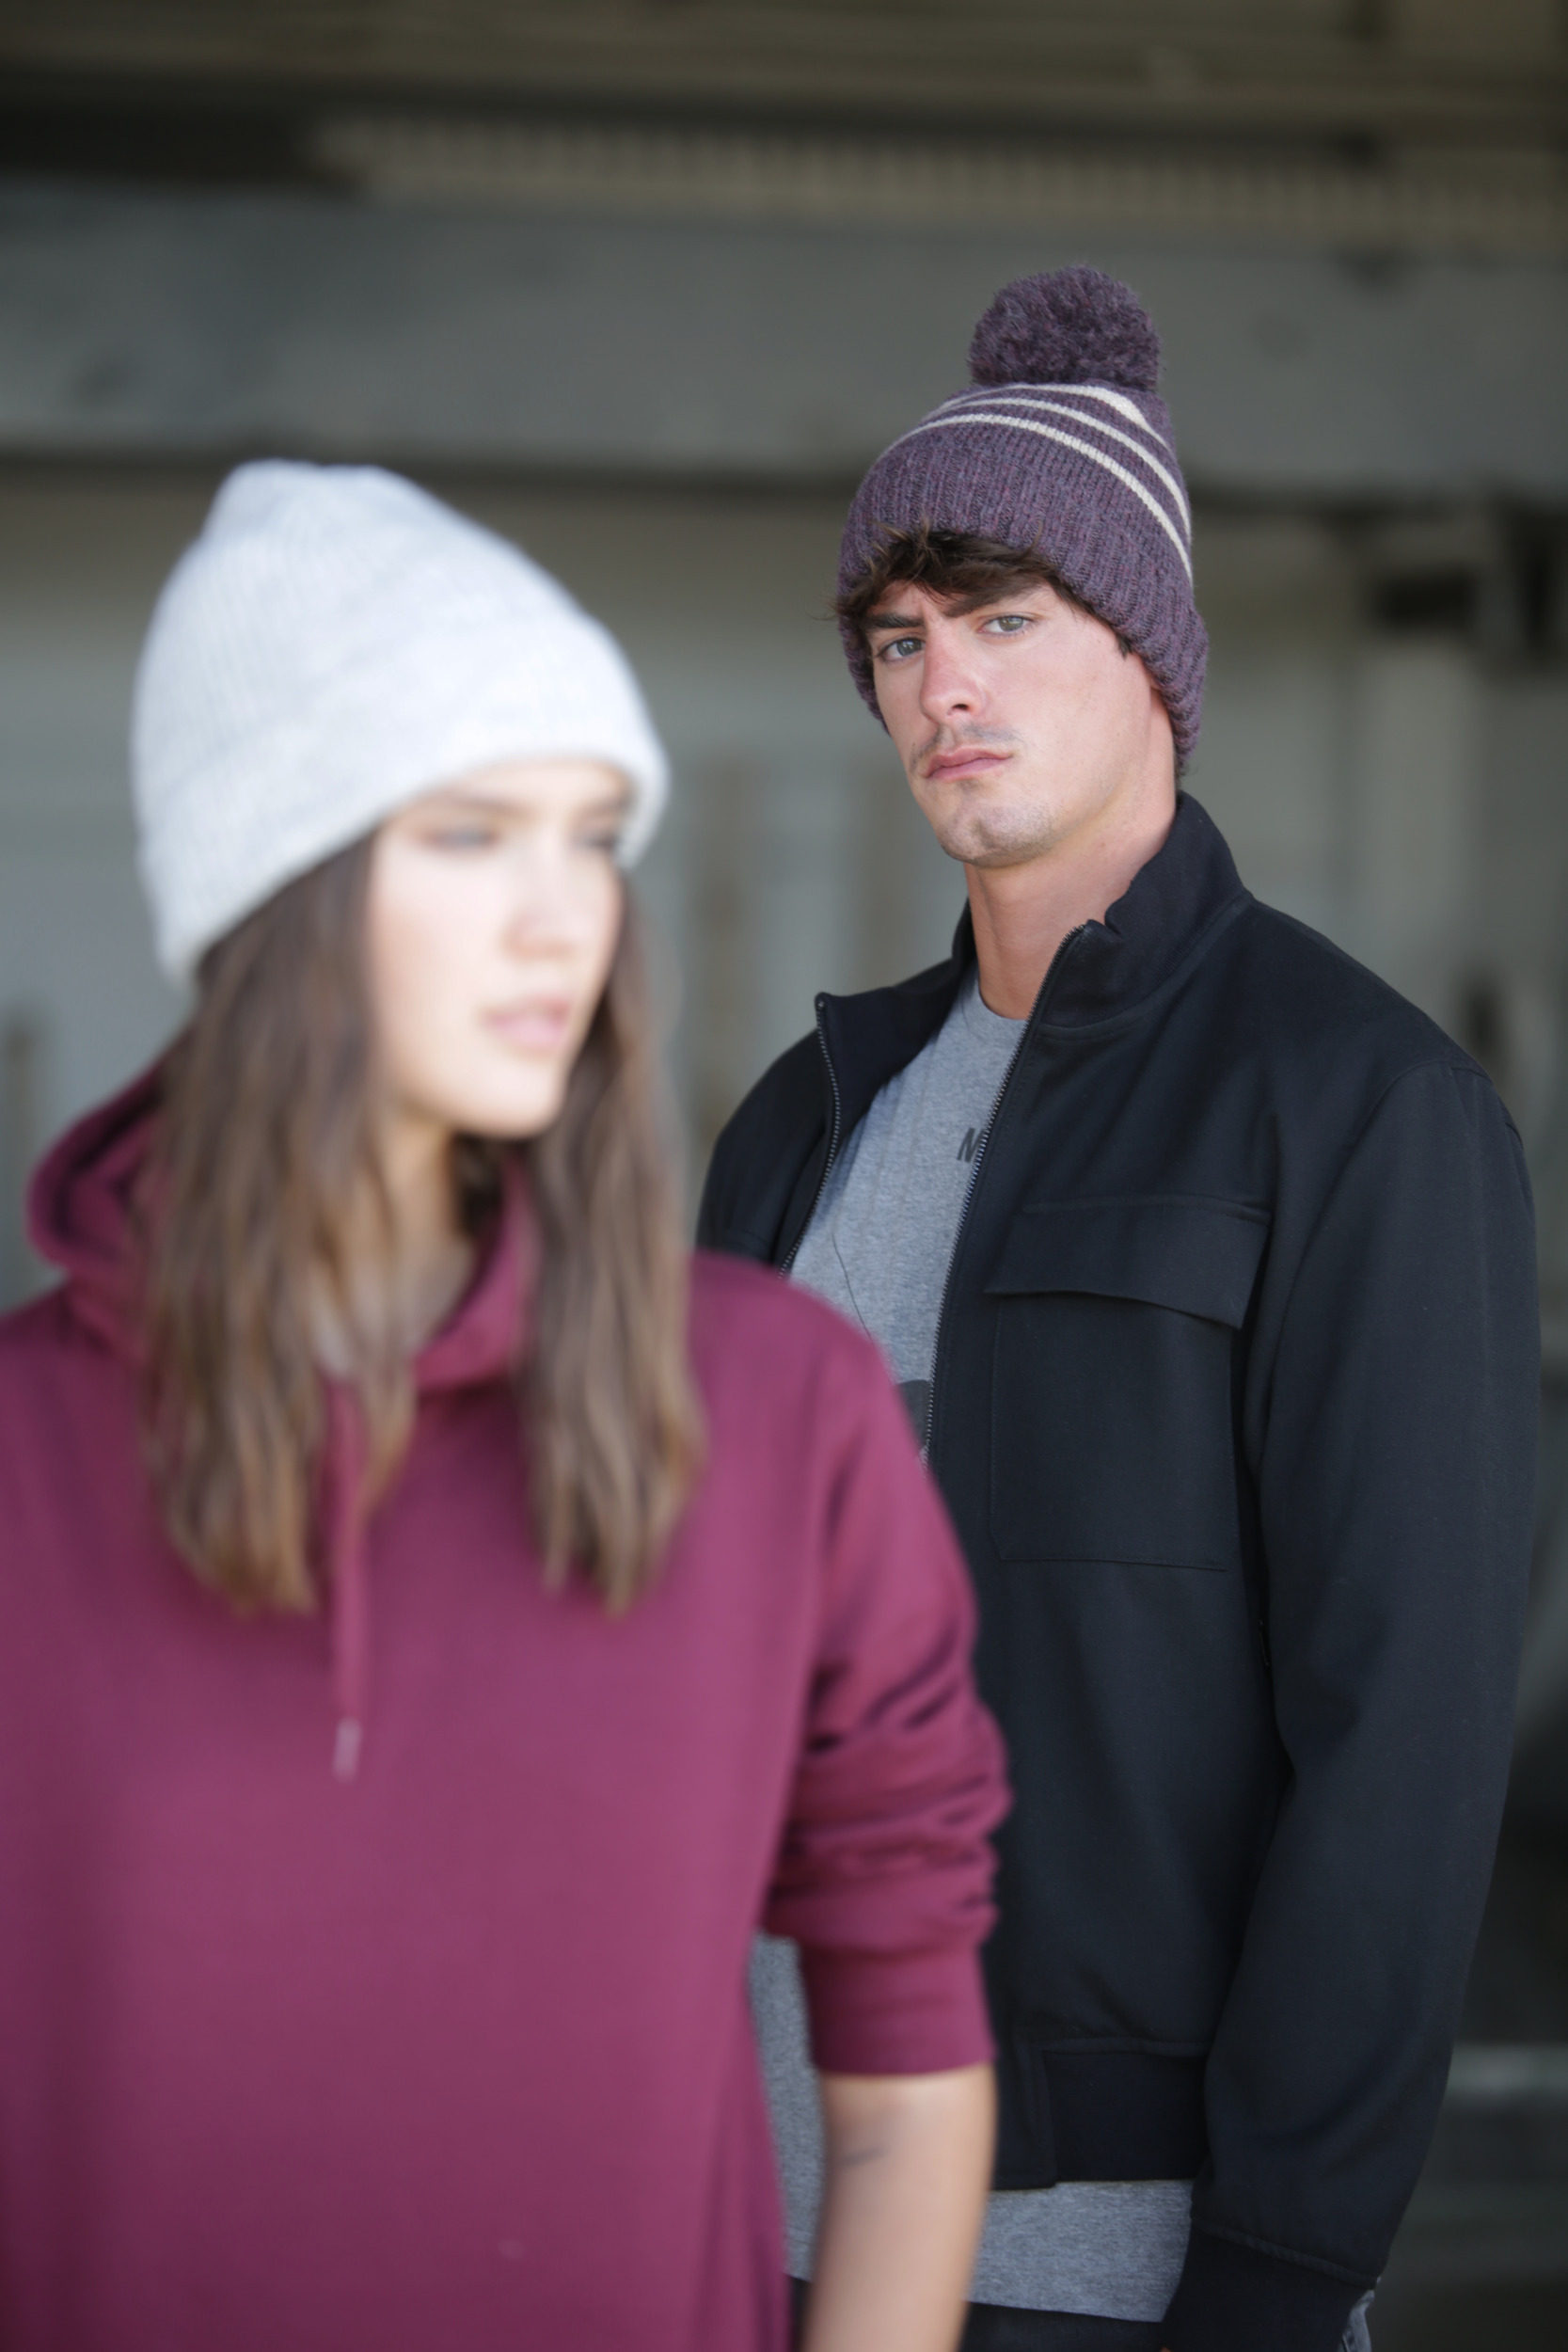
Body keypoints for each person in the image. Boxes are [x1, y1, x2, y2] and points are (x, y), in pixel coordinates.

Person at [0, 462, 1009, 2352]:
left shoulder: (780, 1414)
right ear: (269, 884)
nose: (565, 918)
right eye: (472, 834)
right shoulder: (19, 1464)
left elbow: (900, 2093)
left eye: (592, 835)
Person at [699, 267, 1540, 2352]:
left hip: (1132, 2246)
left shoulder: (1359, 1104)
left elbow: (1406, 1732)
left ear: (1150, 651)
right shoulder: (800, 1119)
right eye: (897, 640)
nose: (936, 687)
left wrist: (1283, 2256)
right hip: (742, 2183)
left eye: (1002, 620)